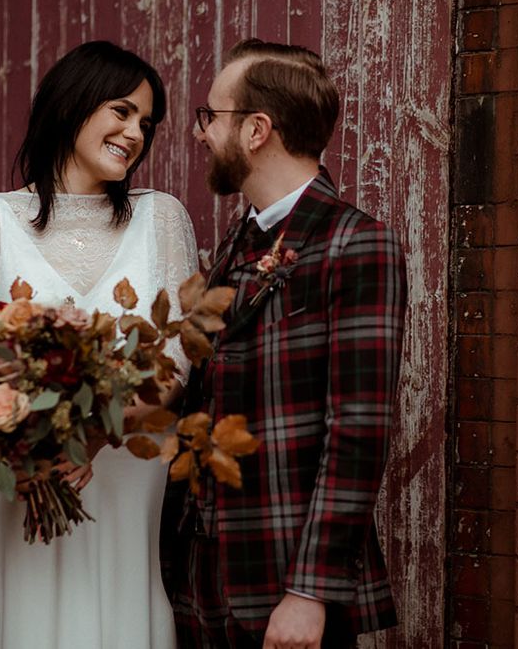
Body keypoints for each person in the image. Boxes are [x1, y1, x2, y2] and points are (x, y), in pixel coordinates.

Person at [0, 40, 198, 649]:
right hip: (30, 493)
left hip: (126, 488)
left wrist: (95, 434)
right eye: (122, 111)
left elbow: (177, 372)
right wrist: (29, 457)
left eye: (147, 123)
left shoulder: (161, 218)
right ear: (72, 105)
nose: (135, 133)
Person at [160, 39, 407, 648]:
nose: (200, 133)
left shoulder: (357, 243)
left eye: (210, 117)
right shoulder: (235, 243)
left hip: (284, 587)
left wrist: (309, 594)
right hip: (199, 578)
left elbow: (358, 431)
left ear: (256, 130)